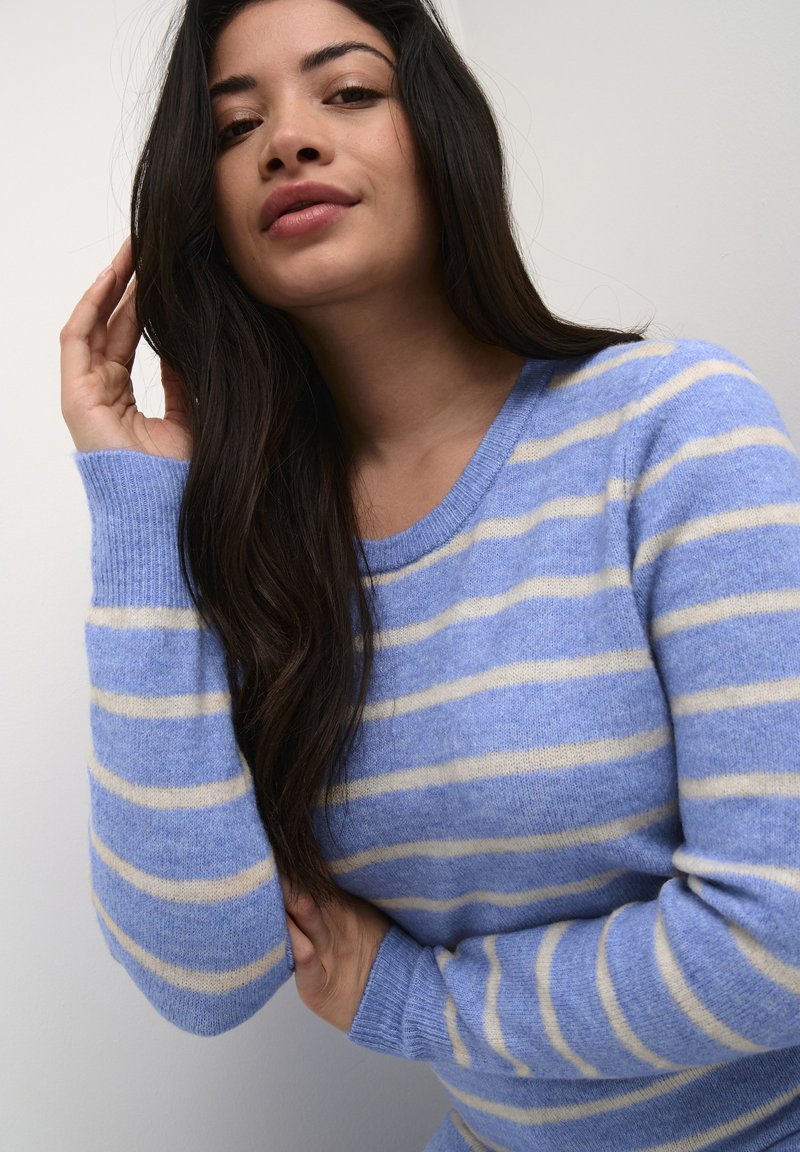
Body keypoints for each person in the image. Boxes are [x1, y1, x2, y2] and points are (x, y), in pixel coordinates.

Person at [60, 0, 800, 1149]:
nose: (287, 140)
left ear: (439, 131)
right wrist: (137, 503)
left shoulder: (671, 429)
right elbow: (201, 977)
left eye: (347, 91)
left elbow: (775, 942)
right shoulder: (257, 548)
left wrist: (413, 999)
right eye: (234, 125)